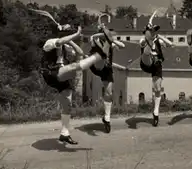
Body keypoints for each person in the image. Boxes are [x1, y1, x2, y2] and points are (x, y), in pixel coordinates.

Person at [34, 9, 113, 145]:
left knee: (67, 106)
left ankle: (64, 133)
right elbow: (59, 42)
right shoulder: (50, 42)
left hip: (62, 76)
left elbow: (80, 52)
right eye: (66, 31)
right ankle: (99, 56)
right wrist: (75, 34)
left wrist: (71, 41)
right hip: (50, 73)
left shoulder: (65, 45)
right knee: (74, 67)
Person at [88, 17, 128, 133]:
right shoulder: (94, 38)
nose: (103, 27)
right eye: (102, 26)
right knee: (102, 55)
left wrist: (112, 40)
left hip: (107, 69)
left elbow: (122, 46)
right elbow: (93, 39)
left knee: (109, 92)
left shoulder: (110, 42)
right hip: (96, 65)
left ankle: (107, 118)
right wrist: (102, 34)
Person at [138, 10, 174, 126]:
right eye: (152, 31)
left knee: (157, 88)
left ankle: (156, 112)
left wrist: (160, 37)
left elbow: (170, 44)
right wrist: (149, 38)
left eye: (155, 31)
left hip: (156, 65)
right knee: (146, 54)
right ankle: (148, 54)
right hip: (146, 63)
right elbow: (142, 43)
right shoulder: (143, 40)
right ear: (148, 32)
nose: (154, 32)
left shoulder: (158, 40)